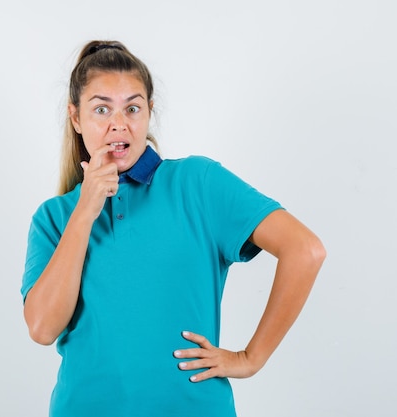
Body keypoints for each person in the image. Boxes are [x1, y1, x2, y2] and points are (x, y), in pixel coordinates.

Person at [21, 40, 326, 417]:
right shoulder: (53, 217)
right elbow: (42, 328)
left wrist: (251, 357)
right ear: (76, 118)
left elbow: (305, 250)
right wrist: (85, 211)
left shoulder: (198, 183)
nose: (119, 124)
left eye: (132, 108)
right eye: (101, 109)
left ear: (149, 112)